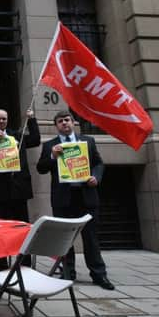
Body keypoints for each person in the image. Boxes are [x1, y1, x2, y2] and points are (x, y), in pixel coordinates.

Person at [36, 110, 114, 290]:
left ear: (73, 123)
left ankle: (99, 275)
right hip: (64, 198)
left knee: (91, 238)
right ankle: (67, 273)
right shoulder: (50, 146)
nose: (64, 123)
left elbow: (98, 163)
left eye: (67, 120)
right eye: (60, 121)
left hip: (86, 196)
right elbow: (41, 168)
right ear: (56, 126)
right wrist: (51, 157)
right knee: (65, 239)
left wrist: (96, 177)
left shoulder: (88, 141)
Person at [0, 108, 41, 271]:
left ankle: (23, 262)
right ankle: (1, 262)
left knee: (21, 228)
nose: (1, 122)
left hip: (18, 190)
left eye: (4, 119)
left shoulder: (16, 135)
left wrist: (31, 120)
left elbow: (35, 140)